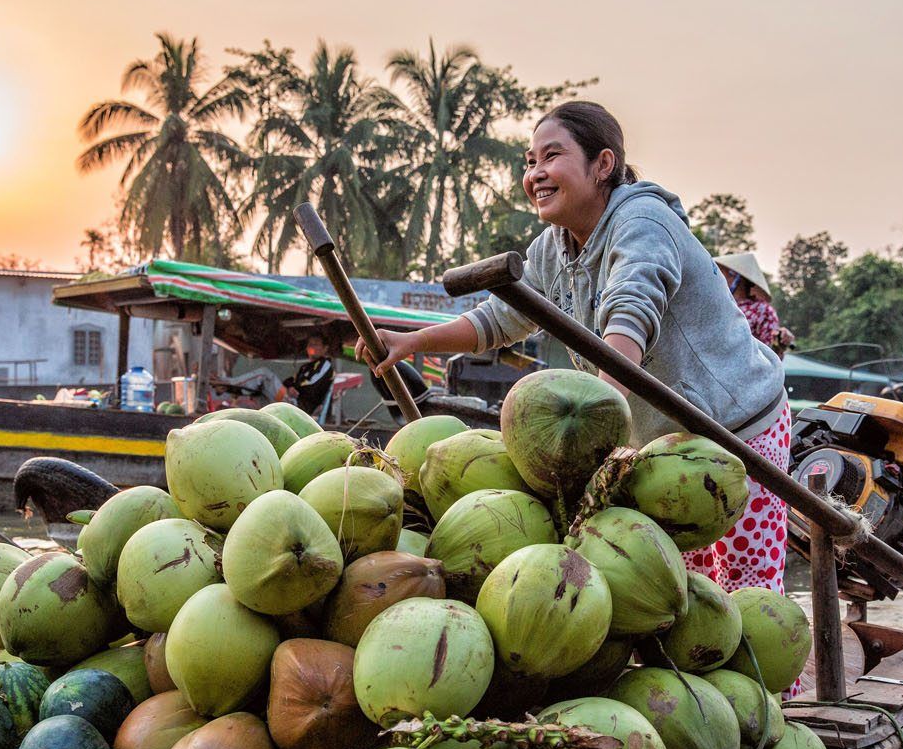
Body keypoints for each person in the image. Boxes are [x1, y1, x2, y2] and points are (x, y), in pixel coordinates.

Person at [357, 100, 792, 597]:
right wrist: (414, 341)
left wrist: (597, 421)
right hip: (663, 448)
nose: (536, 174)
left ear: (602, 164)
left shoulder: (643, 221)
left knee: (747, 595)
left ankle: (776, 681)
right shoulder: (553, 247)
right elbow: (503, 317)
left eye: (551, 157)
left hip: (737, 430)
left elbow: (633, 308)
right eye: (529, 162)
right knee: (676, 592)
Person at [716, 252, 796, 358]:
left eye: (723, 274)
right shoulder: (720, 306)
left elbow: (771, 356)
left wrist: (779, 345)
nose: (719, 279)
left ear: (737, 278)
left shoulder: (762, 310)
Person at [280, 334, 334, 419]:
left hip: (303, 408)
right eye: (310, 344)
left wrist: (295, 388)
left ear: (325, 348)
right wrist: (290, 386)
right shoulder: (305, 367)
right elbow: (289, 380)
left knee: (264, 375)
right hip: (291, 401)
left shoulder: (325, 364)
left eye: (316, 344)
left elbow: (311, 383)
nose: (312, 347)